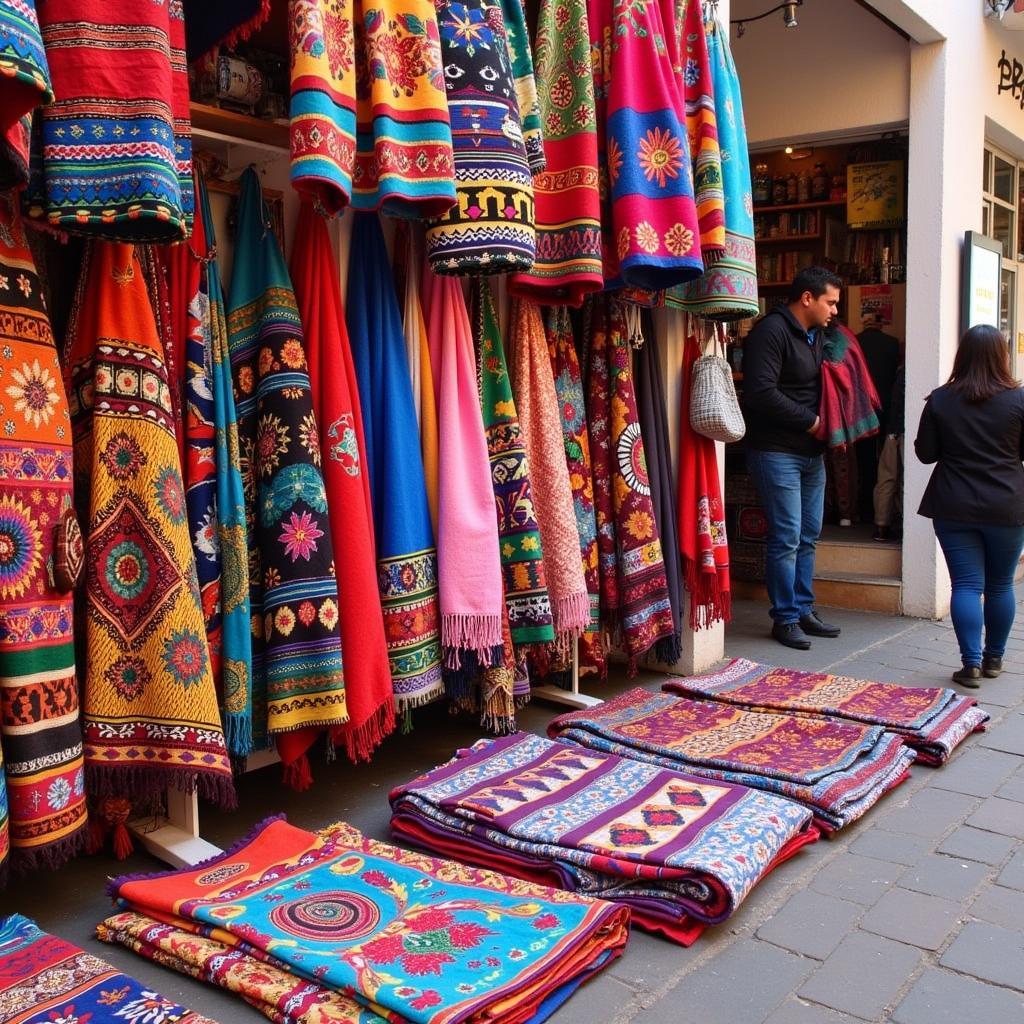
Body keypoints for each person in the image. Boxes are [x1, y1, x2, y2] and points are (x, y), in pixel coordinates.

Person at [915, 324, 1024, 687]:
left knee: (965, 585)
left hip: (953, 504)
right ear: (1002, 356)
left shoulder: (940, 399)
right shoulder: (1019, 400)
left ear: (962, 356)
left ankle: (971, 664)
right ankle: (995, 659)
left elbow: (925, 454)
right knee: (1000, 585)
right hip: (1007, 506)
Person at [743, 266, 844, 650]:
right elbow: (760, 393)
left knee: (808, 536)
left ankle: (802, 609)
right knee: (786, 537)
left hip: (810, 453)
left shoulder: (817, 335)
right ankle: (784, 618)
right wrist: (812, 421)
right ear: (807, 298)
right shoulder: (770, 332)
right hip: (776, 451)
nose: (835, 310)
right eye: (830, 302)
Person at [873, 364, 905, 541]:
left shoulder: (900, 372)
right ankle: (900, 525)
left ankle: (881, 526)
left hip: (892, 432)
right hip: (904, 433)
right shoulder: (912, 371)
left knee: (886, 479)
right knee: (902, 481)